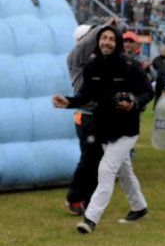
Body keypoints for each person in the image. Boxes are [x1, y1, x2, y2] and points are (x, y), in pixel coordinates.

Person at [52, 24, 152, 233]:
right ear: (98, 41)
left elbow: (147, 91)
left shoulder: (130, 66)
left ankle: (90, 219)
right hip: (105, 129)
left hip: (127, 130)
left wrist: (134, 102)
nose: (106, 42)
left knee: (106, 169)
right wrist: (68, 102)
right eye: (103, 38)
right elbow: (85, 96)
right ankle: (139, 207)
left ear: (117, 44)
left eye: (111, 39)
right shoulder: (92, 66)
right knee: (125, 171)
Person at [64, 22, 104, 215]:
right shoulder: (76, 58)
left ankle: (87, 199)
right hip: (85, 115)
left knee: (95, 158)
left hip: (95, 115)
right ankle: (74, 197)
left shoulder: (93, 61)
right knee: (89, 158)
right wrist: (105, 26)